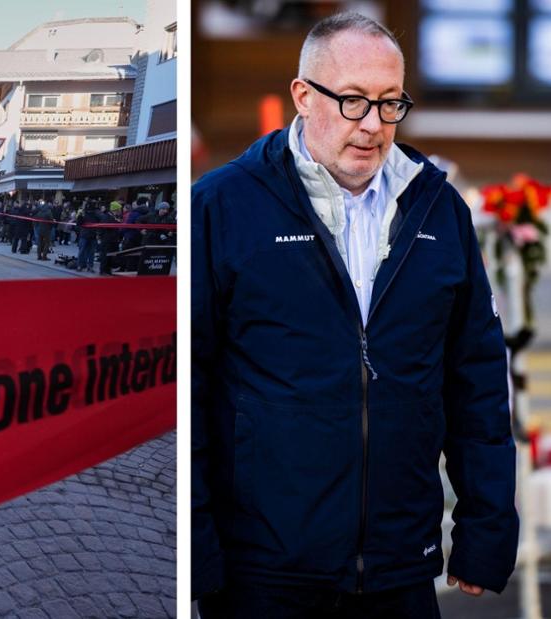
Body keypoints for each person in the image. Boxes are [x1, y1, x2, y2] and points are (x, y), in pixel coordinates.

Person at [192, 13, 517, 617]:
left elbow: (476, 382)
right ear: (303, 96)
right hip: (263, 573)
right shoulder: (219, 207)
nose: (374, 125)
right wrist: (196, 551)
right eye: (354, 101)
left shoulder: (439, 210)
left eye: (391, 104)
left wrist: (486, 528)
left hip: (401, 566)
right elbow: (190, 387)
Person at [75, 204, 99, 271]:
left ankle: (82, 265)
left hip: (87, 235)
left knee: (85, 251)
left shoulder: (91, 214)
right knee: (88, 252)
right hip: (88, 235)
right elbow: (78, 223)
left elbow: (78, 223)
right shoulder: (93, 215)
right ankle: (85, 265)